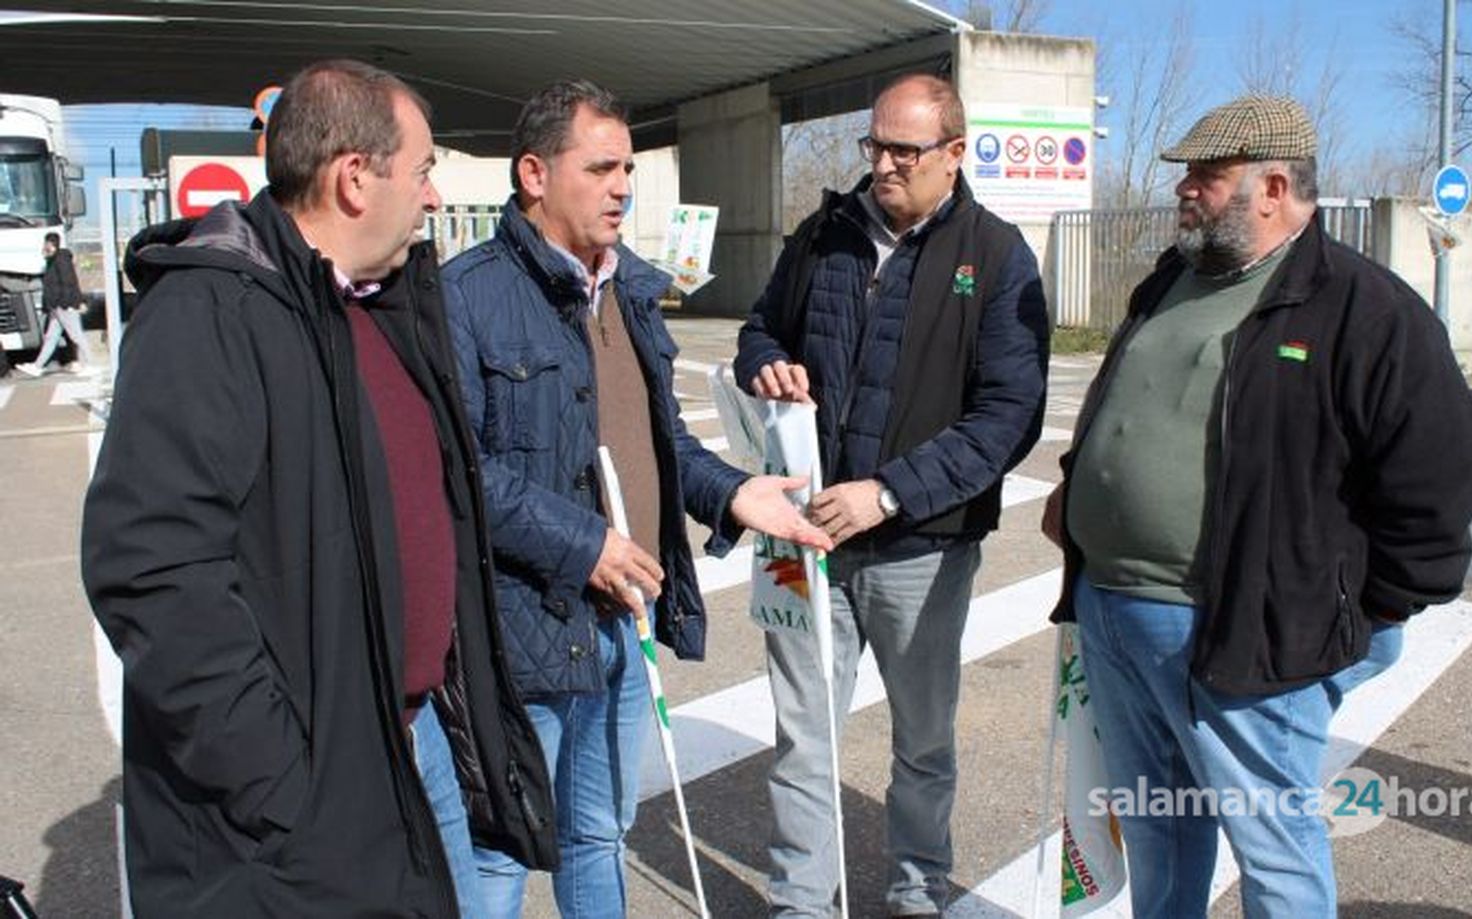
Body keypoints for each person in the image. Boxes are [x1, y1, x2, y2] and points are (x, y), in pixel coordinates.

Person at [81, 59, 557, 919]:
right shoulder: (212, 311)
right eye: (421, 171)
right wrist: (280, 779)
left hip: (407, 749)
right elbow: (152, 571)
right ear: (352, 178)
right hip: (295, 805)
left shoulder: (384, 304)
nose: (435, 197)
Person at [1040, 95, 1472, 918]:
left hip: (1243, 635)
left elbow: (1443, 485)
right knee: (1157, 831)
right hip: (1114, 612)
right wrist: (1083, 486)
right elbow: (1129, 400)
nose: (1184, 191)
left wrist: (1344, 615)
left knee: (1274, 853)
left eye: (1206, 177)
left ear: (1275, 185)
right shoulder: (1171, 279)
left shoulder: (1366, 310)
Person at [443, 79, 833, 918]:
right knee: (501, 846)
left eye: (628, 167)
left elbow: (665, 446)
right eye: (602, 167)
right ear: (535, 174)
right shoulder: (467, 295)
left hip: (627, 619)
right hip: (522, 626)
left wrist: (734, 496)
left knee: (599, 833)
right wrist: (583, 545)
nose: (623, 185)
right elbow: (460, 471)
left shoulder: (631, 293)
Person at [734, 73, 1050, 917]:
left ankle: (916, 891)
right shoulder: (822, 234)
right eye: (874, 146)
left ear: (954, 153)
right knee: (804, 739)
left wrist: (889, 493)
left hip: (921, 549)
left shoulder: (996, 255)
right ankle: (801, 902)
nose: (882, 166)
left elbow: (1008, 416)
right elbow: (759, 326)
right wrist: (763, 361)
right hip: (802, 539)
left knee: (923, 742)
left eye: (903, 150)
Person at [15, 231, 93, 376]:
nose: (44, 247)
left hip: (64, 306)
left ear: (52, 244)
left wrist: (67, 303)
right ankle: (37, 366)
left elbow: (69, 283)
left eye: (46, 244)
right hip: (57, 307)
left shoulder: (62, 259)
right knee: (51, 337)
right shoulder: (52, 261)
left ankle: (90, 364)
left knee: (76, 335)